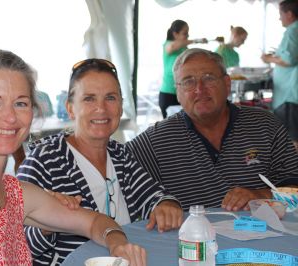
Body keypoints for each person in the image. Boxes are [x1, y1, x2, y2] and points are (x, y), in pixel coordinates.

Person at [0, 49, 147, 265]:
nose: (10, 117)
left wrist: (116, 242)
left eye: (20, 104)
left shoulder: (16, 193)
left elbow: (95, 223)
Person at [17, 58, 183, 265]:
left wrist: (165, 204)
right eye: (89, 99)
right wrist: (46, 225)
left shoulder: (121, 154)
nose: (101, 108)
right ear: (70, 108)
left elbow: (153, 194)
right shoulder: (42, 161)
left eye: (110, 98)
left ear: (121, 106)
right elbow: (16, 243)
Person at [127, 48, 298, 212]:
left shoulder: (265, 125)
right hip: (191, 240)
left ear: (227, 83)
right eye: (188, 81)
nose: (199, 89)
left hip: (266, 237)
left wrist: (260, 195)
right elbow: (116, 167)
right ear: (177, 92)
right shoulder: (157, 140)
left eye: (209, 78)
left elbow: (294, 189)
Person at [261, 0, 298, 151]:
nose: (279, 18)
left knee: (292, 139)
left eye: (280, 14)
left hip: (289, 95)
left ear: (289, 14)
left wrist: (268, 59)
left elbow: (288, 60)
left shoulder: (292, 31)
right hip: (292, 94)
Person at [159, 20, 207, 118]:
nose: (187, 36)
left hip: (184, 92)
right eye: (185, 33)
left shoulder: (185, 49)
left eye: (188, 33)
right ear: (175, 34)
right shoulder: (168, 44)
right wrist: (197, 40)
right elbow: (172, 46)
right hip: (168, 92)